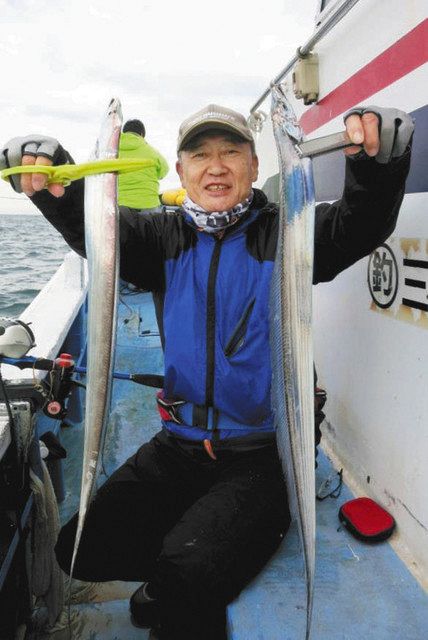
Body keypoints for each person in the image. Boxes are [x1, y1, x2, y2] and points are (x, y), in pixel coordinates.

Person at [0, 102, 414, 640]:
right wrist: (55, 184)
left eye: (230, 152)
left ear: (251, 163)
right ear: (181, 171)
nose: (215, 166)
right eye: (200, 154)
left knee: (185, 575)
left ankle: (203, 557)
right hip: (180, 443)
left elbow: (360, 224)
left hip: (265, 453)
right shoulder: (162, 239)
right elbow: (98, 230)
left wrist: (381, 164)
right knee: (80, 549)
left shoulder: (288, 233)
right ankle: (204, 542)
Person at [118, 118, 169, 211]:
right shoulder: (152, 152)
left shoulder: (111, 152)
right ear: (142, 134)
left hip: (119, 206)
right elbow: (164, 171)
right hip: (148, 205)